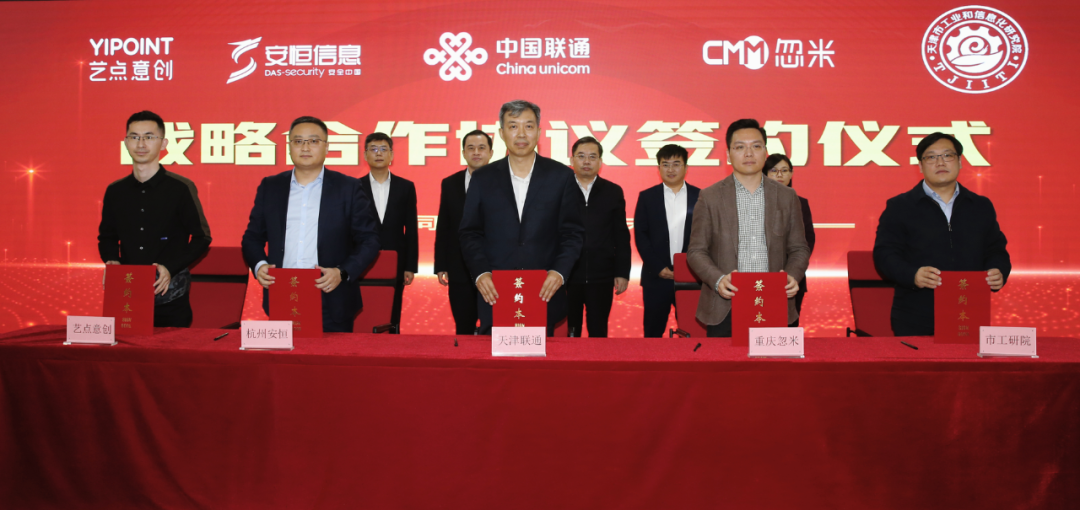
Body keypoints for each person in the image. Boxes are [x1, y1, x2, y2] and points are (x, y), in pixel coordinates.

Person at [241, 116, 381, 332]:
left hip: (331, 296)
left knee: (332, 355)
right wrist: (260, 265)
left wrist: (342, 272)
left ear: (326, 147)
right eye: (298, 141)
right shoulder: (271, 186)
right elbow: (252, 237)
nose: (305, 147)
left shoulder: (348, 187)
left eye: (314, 141)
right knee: (285, 354)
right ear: (289, 147)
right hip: (283, 293)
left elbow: (369, 240)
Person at [458, 100, 585, 335]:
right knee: (492, 356)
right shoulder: (483, 178)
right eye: (513, 126)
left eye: (528, 126)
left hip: (544, 290)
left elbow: (572, 233)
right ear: (501, 133)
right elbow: (470, 232)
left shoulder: (561, 176)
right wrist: (481, 272)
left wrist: (558, 272)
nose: (521, 134)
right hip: (495, 291)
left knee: (541, 358)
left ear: (538, 131)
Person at [873, 132, 1010, 336]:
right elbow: (885, 254)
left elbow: (996, 250)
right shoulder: (900, 207)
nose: (940, 162)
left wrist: (998, 270)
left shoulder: (981, 206)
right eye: (931, 157)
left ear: (960, 162)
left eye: (947, 155)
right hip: (915, 314)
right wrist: (912, 275)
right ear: (920, 166)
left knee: (968, 358)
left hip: (968, 310)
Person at [687, 119, 810, 337]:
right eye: (740, 147)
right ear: (728, 154)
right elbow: (696, 251)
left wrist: (792, 275)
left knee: (772, 361)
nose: (749, 153)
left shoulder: (787, 196)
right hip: (726, 303)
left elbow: (799, 248)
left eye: (756, 146)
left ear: (765, 152)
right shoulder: (710, 197)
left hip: (774, 299)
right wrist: (718, 280)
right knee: (725, 360)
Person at [98, 110, 212, 327]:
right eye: (134, 137)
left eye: (149, 137)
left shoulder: (181, 188)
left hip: (170, 295)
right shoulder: (115, 191)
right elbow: (107, 237)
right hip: (128, 293)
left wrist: (170, 267)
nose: (141, 144)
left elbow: (202, 237)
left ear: (163, 143)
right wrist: (112, 260)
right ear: (126, 142)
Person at [566, 136, 631, 337]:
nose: (587, 161)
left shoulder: (613, 191)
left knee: (598, 332)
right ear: (572, 160)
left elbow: (621, 235)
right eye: (581, 156)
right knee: (569, 332)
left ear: (600, 162)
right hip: (567, 275)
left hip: (602, 275)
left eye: (592, 157)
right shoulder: (560, 189)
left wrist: (622, 272)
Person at [633, 144, 700, 337]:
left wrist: (691, 267)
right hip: (656, 277)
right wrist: (658, 267)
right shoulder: (647, 197)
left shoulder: (701, 196)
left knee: (692, 332)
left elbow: (706, 236)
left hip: (692, 276)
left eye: (676, 164)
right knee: (653, 334)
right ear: (658, 168)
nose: (671, 169)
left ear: (686, 167)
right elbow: (641, 236)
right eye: (665, 164)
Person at [434, 129, 494, 334]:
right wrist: (441, 264)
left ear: (491, 153)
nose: (476, 152)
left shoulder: (504, 182)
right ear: (463, 153)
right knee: (463, 326)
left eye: (481, 148)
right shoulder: (450, 183)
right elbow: (444, 225)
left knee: (493, 327)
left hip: (493, 267)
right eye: (471, 148)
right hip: (459, 266)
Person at [358, 132, 418, 331]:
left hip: (396, 259)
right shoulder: (355, 187)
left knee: (393, 307)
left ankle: (392, 341)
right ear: (365, 155)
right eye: (373, 149)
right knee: (364, 307)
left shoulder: (406, 187)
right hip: (362, 259)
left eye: (384, 149)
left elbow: (411, 229)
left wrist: (410, 266)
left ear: (391, 155)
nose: (379, 153)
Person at [762, 154, 815, 325]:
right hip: (759, 276)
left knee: (788, 326)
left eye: (784, 170)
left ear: (791, 174)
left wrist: (792, 268)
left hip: (791, 278)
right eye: (774, 171)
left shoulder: (800, 203)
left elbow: (808, 240)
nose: (779, 175)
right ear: (764, 174)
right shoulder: (755, 202)